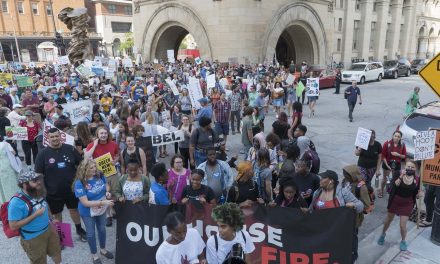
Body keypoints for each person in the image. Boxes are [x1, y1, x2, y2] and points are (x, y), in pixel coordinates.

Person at [34, 127, 87, 241]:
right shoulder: (42, 154)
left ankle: (79, 229)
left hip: (71, 189)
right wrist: (42, 191)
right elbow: (38, 174)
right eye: (52, 137)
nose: (55, 138)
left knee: (74, 210)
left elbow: (81, 165)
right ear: (48, 138)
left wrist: (81, 181)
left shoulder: (70, 149)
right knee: (57, 214)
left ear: (60, 136)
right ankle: (62, 237)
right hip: (53, 192)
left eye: (57, 136)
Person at [8, 171, 62, 264]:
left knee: (56, 251)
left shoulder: (37, 191)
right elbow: (13, 226)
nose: (39, 182)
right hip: (33, 237)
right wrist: (35, 215)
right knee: (39, 261)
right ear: (25, 185)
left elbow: (45, 205)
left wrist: (51, 218)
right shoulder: (16, 202)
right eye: (34, 180)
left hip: (49, 229)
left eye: (38, 179)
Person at [73, 159, 114, 264]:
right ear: (84, 169)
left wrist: (108, 192)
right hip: (88, 212)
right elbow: (85, 203)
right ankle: (94, 255)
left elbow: (106, 185)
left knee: (102, 229)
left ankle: (103, 250)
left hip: (101, 208)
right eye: (91, 168)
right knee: (91, 233)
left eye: (95, 166)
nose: (94, 169)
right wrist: (103, 202)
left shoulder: (99, 174)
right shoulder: (79, 183)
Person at [378, 160, 421, 251]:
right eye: (408, 166)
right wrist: (401, 176)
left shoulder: (417, 179)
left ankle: (403, 241)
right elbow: (394, 184)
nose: (410, 168)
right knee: (388, 221)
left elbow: (417, 193)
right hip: (396, 201)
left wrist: (419, 194)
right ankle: (383, 234)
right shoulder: (398, 173)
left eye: (412, 167)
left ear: (415, 169)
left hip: (407, 203)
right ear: (405, 166)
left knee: (402, 225)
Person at [84, 126, 119, 226]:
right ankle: (109, 216)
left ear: (108, 134)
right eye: (101, 133)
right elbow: (86, 157)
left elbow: (117, 154)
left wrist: (115, 161)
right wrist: (94, 145)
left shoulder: (113, 144)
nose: (103, 135)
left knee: (113, 192)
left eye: (105, 133)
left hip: (112, 172)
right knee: (103, 193)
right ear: (97, 135)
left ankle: (112, 209)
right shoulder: (92, 145)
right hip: (98, 174)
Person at [342, 165, 372, 263]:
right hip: (344, 215)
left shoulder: (361, 187)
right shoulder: (345, 182)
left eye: (347, 174)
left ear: (352, 175)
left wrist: (354, 204)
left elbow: (367, 205)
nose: (344, 176)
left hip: (355, 217)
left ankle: (353, 255)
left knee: (353, 236)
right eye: (344, 174)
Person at [378, 131, 407, 198]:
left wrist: (398, 155)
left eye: (398, 137)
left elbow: (404, 156)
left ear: (400, 138)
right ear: (393, 136)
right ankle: (381, 190)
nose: (396, 138)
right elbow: (383, 156)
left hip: (397, 163)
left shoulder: (402, 145)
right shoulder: (387, 143)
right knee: (385, 179)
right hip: (387, 162)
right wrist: (387, 165)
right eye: (395, 136)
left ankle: (392, 191)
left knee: (395, 179)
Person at [0, 136, 19, 203]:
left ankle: (3, 201)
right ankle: (14, 199)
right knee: (11, 183)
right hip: (7, 166)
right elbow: (14, 153)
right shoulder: (5, 144)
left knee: (2, 185)